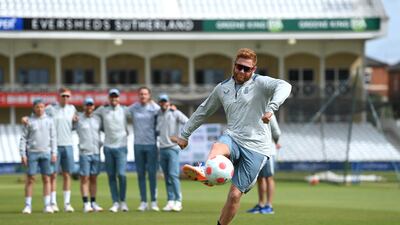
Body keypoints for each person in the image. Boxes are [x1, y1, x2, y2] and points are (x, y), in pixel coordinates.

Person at [173, 48, 291, 225]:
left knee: (235, 195)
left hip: (257, 148)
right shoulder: (222, 88)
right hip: (233, 137)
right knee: (217, 146)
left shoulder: (261, 83)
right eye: (239, 67)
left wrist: (271, 107)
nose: (242, 71)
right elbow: (203, 111)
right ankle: (207, 170)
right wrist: (185, 134)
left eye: (247, 69)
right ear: (234, 65)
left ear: (254, 70)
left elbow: (285, 86)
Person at [22, 87, 78, 212]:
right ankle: (53, 202)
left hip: (68, 144)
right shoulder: (50, 108)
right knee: (52, 175)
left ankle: (67, 203)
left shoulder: (72, 109)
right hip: (54, 146)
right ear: (58, 96)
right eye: (63, 95)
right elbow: (38, 114)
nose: (65, 98)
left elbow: (74, 125)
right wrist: (26, 118)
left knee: (67, 174)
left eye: (67, 96)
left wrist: (76, 122)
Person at [93, 89, 130, 212]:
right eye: (112, 98)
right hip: (108, 147)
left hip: (121, 147)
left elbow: (140, 113)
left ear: (119, 98)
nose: (114, 100)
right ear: (109, 98)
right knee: (111, 176)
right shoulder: (103, 110)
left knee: (122, 174)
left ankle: (123, 201)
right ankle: (115, 202)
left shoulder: (125, 110)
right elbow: (90, 114)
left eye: (116, 97)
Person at [20, 98, 57, 214]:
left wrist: (54, 153)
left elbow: (53, 138)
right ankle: (28, 205)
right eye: (37, 107)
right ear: (34, 108)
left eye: (41, 107)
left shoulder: (50, 121)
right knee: (31, 179)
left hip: (46, 152)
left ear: (44, 107)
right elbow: (23, 138)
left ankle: (47, 205)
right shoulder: (29, 121)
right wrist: (23, 154)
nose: (40, 109)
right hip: (32, 153)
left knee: (47, 179)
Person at [128, 87, 160, 212]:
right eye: (141, 94)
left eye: (145, 94)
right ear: (138, 95)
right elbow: (121, 112)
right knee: (141, 174)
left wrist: (171, 109)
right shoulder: (133, 107)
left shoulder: (155, 108)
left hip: (151, 144)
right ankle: (143, 202)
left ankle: (153, 201)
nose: (143, 96)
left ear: (149, 95)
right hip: (138, 145)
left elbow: (165, 111)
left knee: (152, 175)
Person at [156, 94, 188, 212]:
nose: (163, 103)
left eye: (165, 101)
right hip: (162, 148)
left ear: (168, 102)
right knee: (167, 176)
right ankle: (170, 201)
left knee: (173, 175)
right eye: (161, 102)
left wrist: (180, 137)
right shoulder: (158, 114)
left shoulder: (175, 112)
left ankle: (178, 201)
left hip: (172, 148)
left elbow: (188, 122)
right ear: (159, 103)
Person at [247, 114, 281, 214]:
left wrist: (276, 141)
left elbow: (276, 132)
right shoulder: (254, 111)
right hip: (257, 149)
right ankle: (261, 204)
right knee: (260, 178)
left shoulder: (268, 112)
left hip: (268, 150)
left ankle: (269, 205)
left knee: (268, 177)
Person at [75, 97, 104, 213]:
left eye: (91, 105)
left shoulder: (98, 119)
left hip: (96, 152)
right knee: (84, 178)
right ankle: (85, 203)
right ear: (83, 106)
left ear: (94, 106)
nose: (89, 107)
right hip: (84, 153)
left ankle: (93, 202)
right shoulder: (78, 119)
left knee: (94, 178)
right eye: (87, 105)